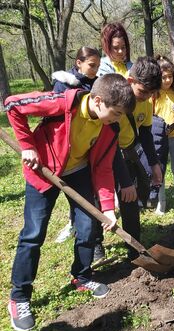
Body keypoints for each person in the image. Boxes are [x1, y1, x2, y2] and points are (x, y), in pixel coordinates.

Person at [5, 74, 136, 331]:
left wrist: (108, 206)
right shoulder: (62, 103)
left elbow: (103, 168)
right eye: (116, 112)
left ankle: (82, 276)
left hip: (77, 172)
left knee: (88, 227)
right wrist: (27, 146)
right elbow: (12, 105)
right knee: (33, 234)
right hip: (43, 170)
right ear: (98, 101)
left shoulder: (109, 128)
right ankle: (19, 297)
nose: (117, 118)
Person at [94, 56, 163, 261]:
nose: (146, 97)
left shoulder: (145, 101)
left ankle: (134, 248)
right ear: (131, 81)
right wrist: (124, 181)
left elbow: (146, 133)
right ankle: (96, 244)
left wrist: (154, 163)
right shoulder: (114, 98)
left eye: (151, 93)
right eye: (143, 92)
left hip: (127, 153)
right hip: (103, 155)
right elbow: (110, 143)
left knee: (130, 201)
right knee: (99, 201)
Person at [51, 46, 101, 243]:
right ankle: (73, 223)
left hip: (90, 147)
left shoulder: (96, 84)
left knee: (91, 197)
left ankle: (96, 242)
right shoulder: (63, 84)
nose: (95, 69)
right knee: (74, 196)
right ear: (78, 63)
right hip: (66, 150)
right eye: (91, 65)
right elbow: (56, 116)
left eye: (97, 65)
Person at [152, 55, 174, 214]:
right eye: (164, 77)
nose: (167, 80)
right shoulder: (153, 95)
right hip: (159, 140)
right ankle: (162, 203)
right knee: (160, 171)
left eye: (170, 76)